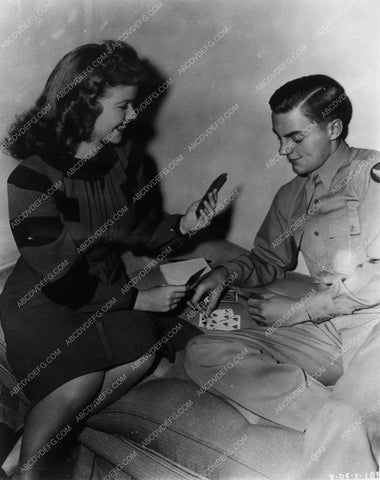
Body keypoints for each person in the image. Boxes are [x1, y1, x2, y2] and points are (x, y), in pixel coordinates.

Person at [0, 40, 218, 479]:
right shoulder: (30, 178)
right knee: (80, 380)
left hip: (107, 282)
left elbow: (138, 228)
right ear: (83, 106)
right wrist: (139, 300)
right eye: (124, 105)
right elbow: (62, 281)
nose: (134, 115)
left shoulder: (125, 158)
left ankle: (30, 442)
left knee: (141, 355)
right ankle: (29, 471)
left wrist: (183, 226)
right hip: (47, 296)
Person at [184, 74, 380, 477]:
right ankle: (342, 418)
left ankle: (347, 422)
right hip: (328, 332)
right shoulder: (292, 196)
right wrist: (225, 272)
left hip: (374, 327)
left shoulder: (371, 177)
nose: (282, 150)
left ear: (334, 128)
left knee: (347, 412)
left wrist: (301, 309)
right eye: (279, 138)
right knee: (203, 353)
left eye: (293, 138)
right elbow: (267, 260)